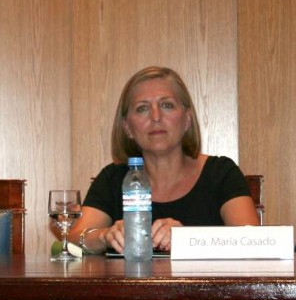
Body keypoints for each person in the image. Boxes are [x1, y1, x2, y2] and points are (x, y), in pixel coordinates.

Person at [71, 66, 259, 254]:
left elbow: (254, 243)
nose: (155, 117)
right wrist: (105, 236)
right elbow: (71, 240)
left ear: (187, 119)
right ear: (127, 127)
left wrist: (187, 238)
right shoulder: (113, 178)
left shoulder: (221, 173)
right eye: (142, 108)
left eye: (166, 105)